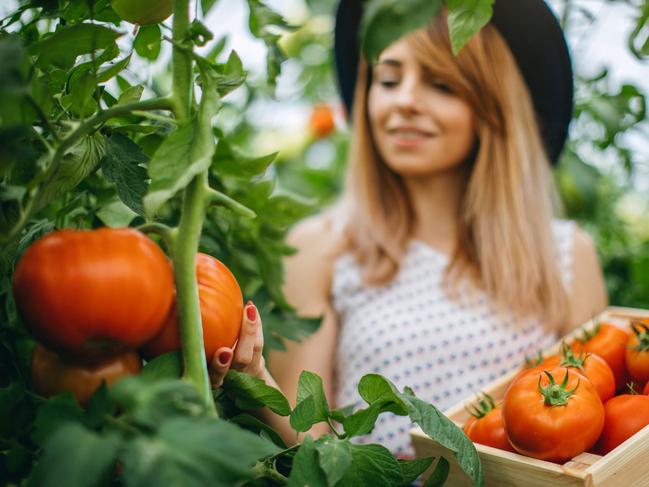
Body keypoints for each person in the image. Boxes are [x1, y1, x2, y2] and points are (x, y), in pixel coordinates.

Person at [209, 0, 608, 457]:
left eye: (441, 84)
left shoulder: (565, 255)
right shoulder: (322, 248)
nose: (405, 101)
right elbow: (311, 446)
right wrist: (255, 379)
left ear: (491, 104)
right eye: (389, 79)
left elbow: (591, 446)